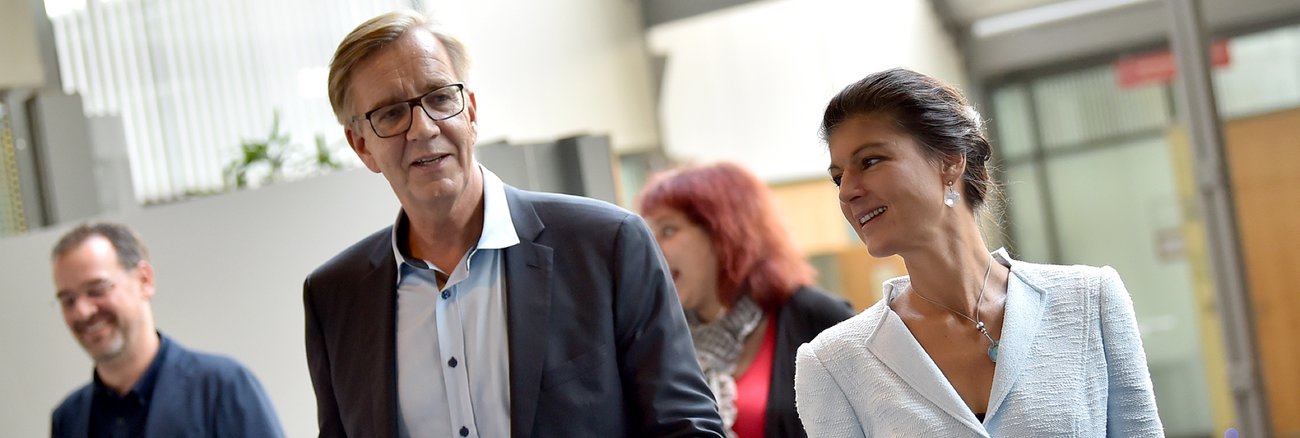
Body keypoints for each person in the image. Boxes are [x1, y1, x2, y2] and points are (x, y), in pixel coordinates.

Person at [303, 10, 724, 438]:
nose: (423, 128)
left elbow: (685, 427)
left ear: (470, 111)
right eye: (391, 114)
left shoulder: (607, 246)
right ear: (362, 147)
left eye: (440, 98)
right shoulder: (335, 298)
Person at [793, 68, 1163, 437]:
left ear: (950, 160)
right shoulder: (832, 364)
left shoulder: (1090, 300)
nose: (847, 192)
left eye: (870, 161)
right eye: (839, 177)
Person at [636, 162, 856, 438]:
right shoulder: (660, 340)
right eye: (646, 234)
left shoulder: (814, 315)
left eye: (668, 230)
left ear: (724, 234)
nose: (650, 247)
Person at [49, 222, 284, 438]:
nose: (82, 311)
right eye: (68, 300)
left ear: (144, 280)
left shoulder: (222, 388)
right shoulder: (68, 419)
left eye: (97, 289)